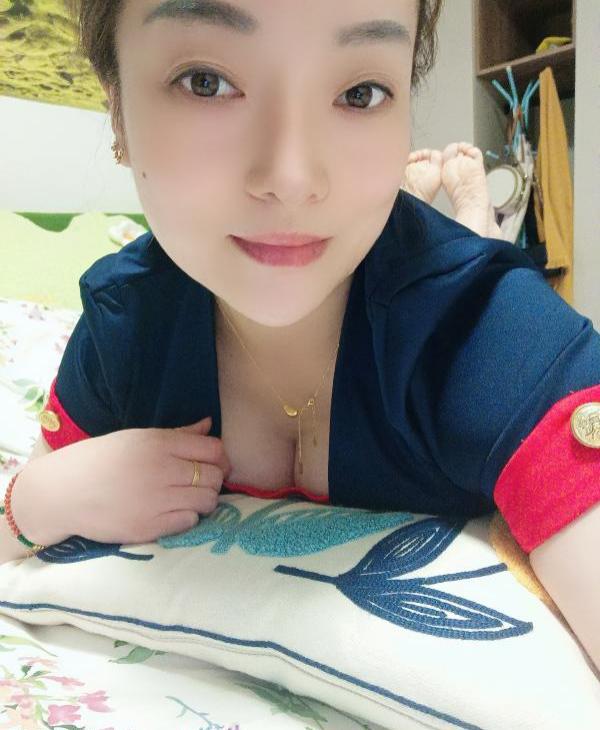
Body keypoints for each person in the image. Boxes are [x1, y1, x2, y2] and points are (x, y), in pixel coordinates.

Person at [1, 0, 599, 671]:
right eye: (206, 82)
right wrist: (36, 500)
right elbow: (15, 520)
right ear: (117, 112)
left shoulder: (484, 332)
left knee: (466, 252)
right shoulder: (129, 325)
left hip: (434, 270)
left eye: (359, 93)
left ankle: (470, 221)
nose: (291, 179)